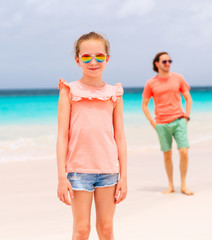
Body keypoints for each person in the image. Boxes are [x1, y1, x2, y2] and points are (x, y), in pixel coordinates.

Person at [56, 32, 127, 240]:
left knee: (106, 229)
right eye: (86, 57)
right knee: (81, 230)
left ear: (107, 59)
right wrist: (62, 177)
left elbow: (120, 137)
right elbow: (62, 136)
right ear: (77, 60)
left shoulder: (114, 93)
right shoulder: (69, 91)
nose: (93, 62)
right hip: (78, 171)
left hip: (109, 171)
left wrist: (124, 176)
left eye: (99, 56)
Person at [142, 52, 193, 195]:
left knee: (184, 151)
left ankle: (183, 185)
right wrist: (153, 122)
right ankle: (170, 185)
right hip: (161, 124)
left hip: (179, 120)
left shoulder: (179, 78)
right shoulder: (151, 83)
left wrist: (186, 117)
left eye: (170, 61)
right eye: (164, 61)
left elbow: (188, 99)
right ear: (157, 64)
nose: (168, 63)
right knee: (167, 154)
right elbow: (144, 105)